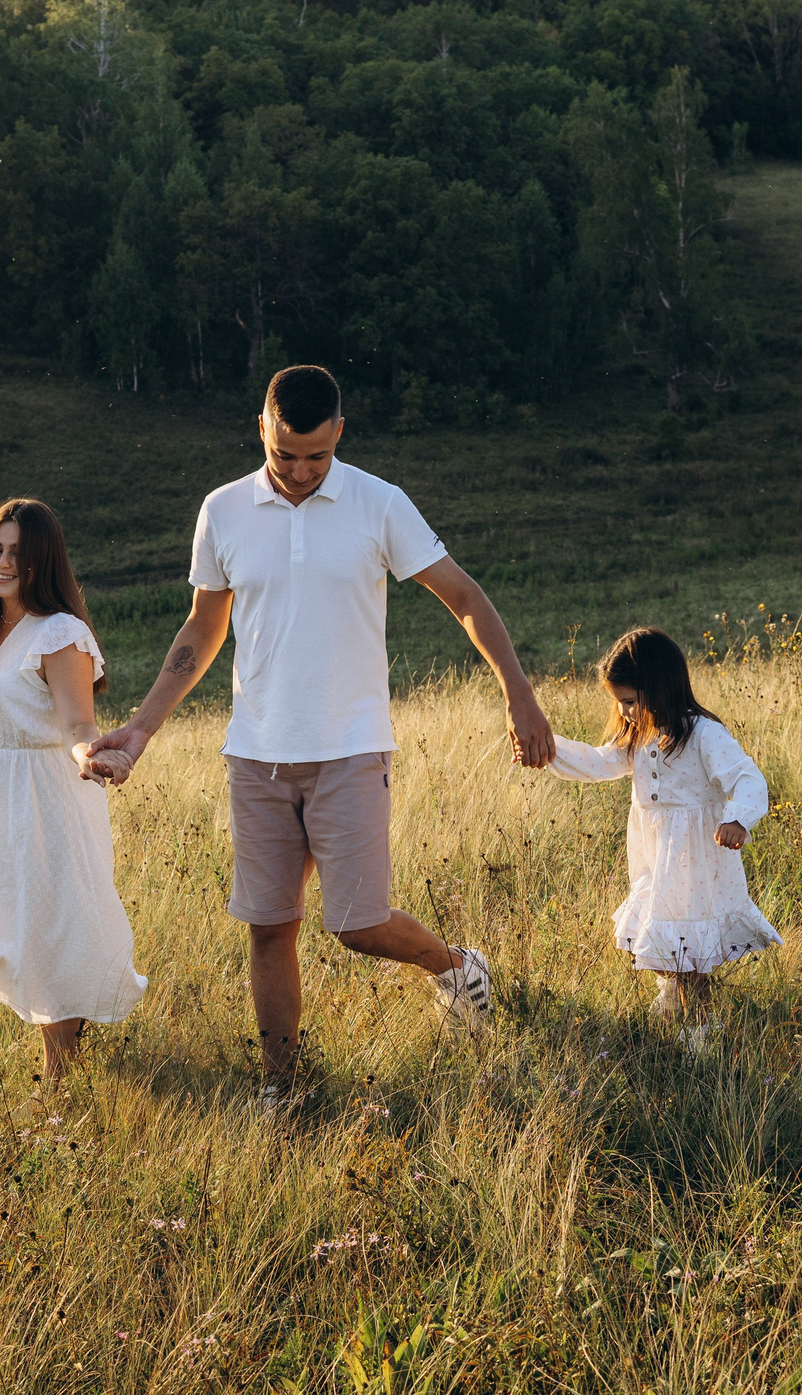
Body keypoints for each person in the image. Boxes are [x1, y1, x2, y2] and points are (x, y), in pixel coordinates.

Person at [87, 365, 555, 1103]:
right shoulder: (224, 510)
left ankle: (457, 966)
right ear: (263, 430)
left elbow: (463, 595)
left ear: (339, 431)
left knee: (358, 924)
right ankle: (285, 1085)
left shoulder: (379, 504)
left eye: (316, 455)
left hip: (350, 749)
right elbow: (204, 629)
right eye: (284, 456)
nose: (301, 472)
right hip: (256, 757)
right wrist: (142, 728)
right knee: (269, 926)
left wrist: (518, 692)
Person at [0, 499, 146, 1084]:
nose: (4, 562)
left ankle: (60, 1068)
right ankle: (64, 1036)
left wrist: (90, 756)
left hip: (45, 795)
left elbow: (76, 723)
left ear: (43, 560)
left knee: (48, 927)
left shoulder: (60, 633)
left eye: (17, 551)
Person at [524, 627, 776, 1040]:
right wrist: (549, 749)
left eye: (628, 701)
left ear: (659, 688)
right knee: (661, 945)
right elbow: (599, 762)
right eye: (617, 703)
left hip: (695, 859)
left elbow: (748, 778)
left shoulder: (703, 735)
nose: (622, 712)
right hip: (655, 856)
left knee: (687, 952)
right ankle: (675, 993)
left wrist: (737, 820)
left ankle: (701, 1034)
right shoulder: (638, 735)